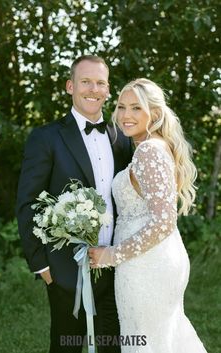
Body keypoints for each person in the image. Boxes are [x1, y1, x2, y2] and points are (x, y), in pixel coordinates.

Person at [16, 55, 132, 353]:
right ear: (70, 86)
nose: (94, 89)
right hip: (67, 271)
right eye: (86, 81)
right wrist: (42, 266)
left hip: (114, 264)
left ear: (108, 90)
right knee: (66, 346)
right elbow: (28, 202)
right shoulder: (46, 137)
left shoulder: (121, 138)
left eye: (101, 83)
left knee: (113, 346)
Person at [88, 78, 208, 353]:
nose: (126, 115)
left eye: (136, 108)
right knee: (161, 339)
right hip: (152, 259)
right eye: (121, 107)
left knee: (146, 341)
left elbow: (164, 221)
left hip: (146, 265)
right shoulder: (152, 146)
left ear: (154, 113)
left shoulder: (149, 151)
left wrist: (112, 255)